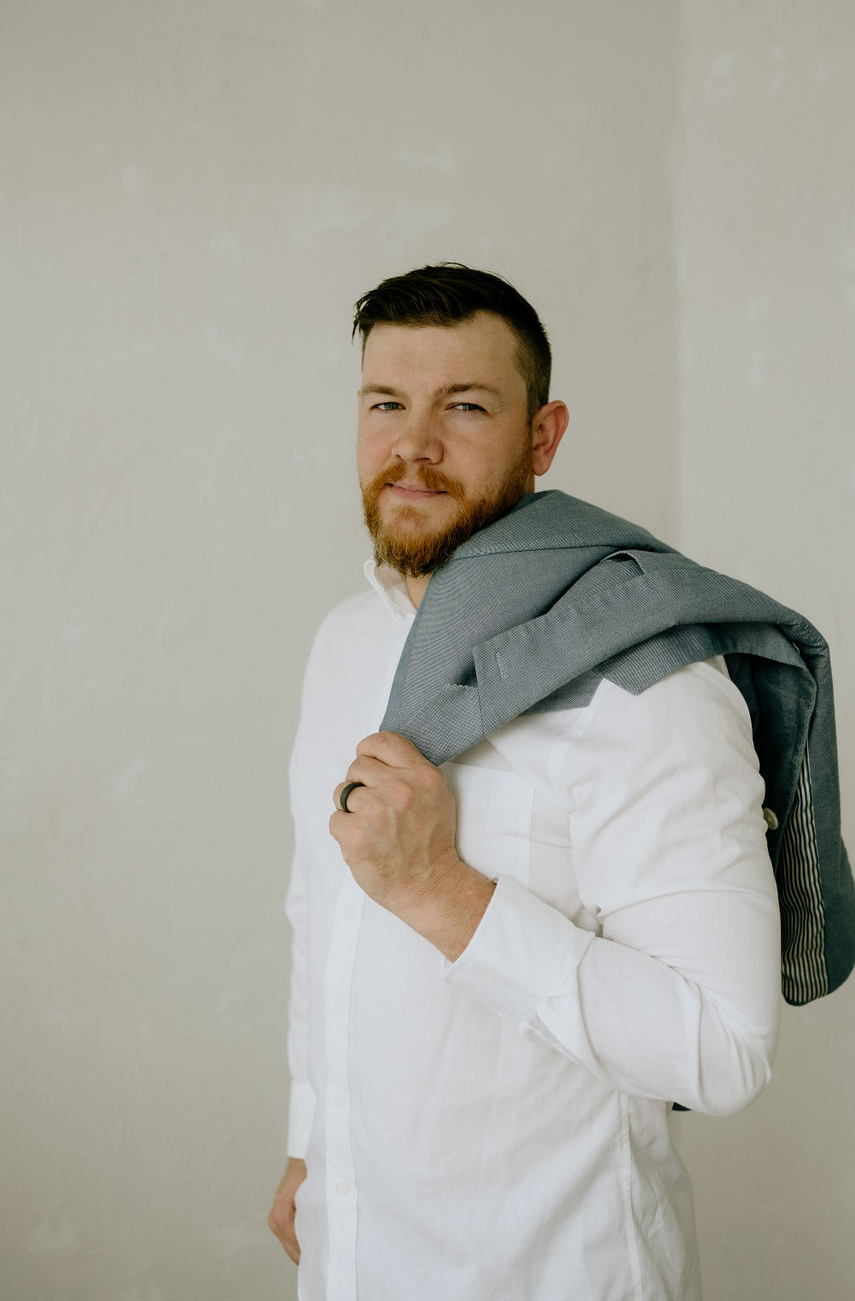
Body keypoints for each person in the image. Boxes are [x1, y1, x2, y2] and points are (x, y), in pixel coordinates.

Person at [268, 263, 784, 1300]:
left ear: (542, 438)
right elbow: (317, 913)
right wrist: (310, 1136)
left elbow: (724, 1051)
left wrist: (442, 894)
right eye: (385, 405)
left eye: (463, 407)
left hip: (554, 1272)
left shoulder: (650, 686)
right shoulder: (345, 641)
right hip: (356, 1256)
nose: (413, 446)